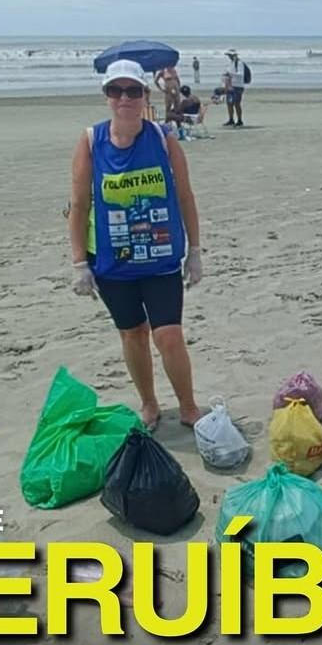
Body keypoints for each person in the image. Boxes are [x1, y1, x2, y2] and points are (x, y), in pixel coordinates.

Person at [67, 59, 204, 431]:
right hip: (113, 263)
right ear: (107, 97)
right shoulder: (91, 141)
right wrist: (79, 263)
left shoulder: (163, 139)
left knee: (169, 335)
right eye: (116, 90)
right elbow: (78, 205)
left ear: (145, 95)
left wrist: (195, 251)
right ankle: (149, 403)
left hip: (159, 258)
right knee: (133, 334)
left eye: (132, 91)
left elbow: (186, 196)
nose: (123, 98)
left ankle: (189, 407)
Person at [222, 48, 247, 127]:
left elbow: (240, 74)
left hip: (238, 86)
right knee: (229, 103)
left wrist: (230, 74)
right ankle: (231, 119)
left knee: (237, 103)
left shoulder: (239, 63)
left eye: (230, 55)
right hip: (231, 86)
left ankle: (239, 120)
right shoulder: (232, 63)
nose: (229, 57)